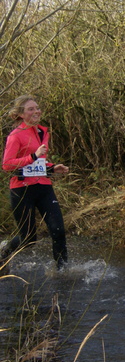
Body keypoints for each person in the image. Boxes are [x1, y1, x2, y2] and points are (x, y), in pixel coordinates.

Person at [1, 95, 70, 270]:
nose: (36, 111)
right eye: (31, 109)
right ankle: (4, 252)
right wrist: (33, 156)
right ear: (21, 114)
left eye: (37, 108)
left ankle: (62, 271)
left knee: (58, 231)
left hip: (44, 186)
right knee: (29, 239)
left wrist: (52, 168)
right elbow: (7, 165)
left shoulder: (42, 132)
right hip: (22, 189)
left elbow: (37, 164)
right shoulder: (15, 136)